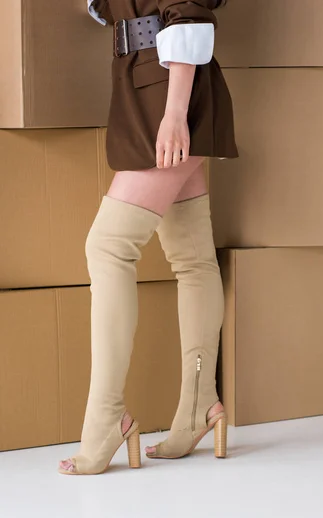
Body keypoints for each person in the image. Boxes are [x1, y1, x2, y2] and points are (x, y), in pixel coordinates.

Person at [59, 0, 238, 475]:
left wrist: (176, 112)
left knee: (109, 246)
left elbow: (188, 11)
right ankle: (200, 405)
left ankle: (106, 416)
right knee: (192, 256)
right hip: (142, 88)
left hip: (171, 95)